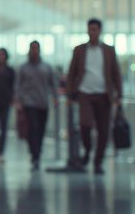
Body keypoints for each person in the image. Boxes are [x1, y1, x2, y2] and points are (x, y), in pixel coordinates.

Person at [65, 18, 122, 174]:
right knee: (85, 125)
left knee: (104, 130)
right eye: (90, 29)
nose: (92, 33)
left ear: (100, 31)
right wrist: (70, 93)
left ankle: (98, 161)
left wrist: (119, 95)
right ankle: (88, 150)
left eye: (95, 29)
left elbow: (116, 73)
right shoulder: (79, 50)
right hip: (85, 93)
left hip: (104, 95)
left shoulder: (109, 51)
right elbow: (72, 73)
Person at [14, 40, 56, 170]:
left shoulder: (47, 67)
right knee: (33, 128)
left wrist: (55, 98)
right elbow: (18, 86)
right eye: (32, 48)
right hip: (28, 103)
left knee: (41, 130)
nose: (34, 51)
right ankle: (34, 155)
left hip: (43, 103)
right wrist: (18, 101)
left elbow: (53, 84)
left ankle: (37, 152)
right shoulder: (23, 68)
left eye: (36, 48)